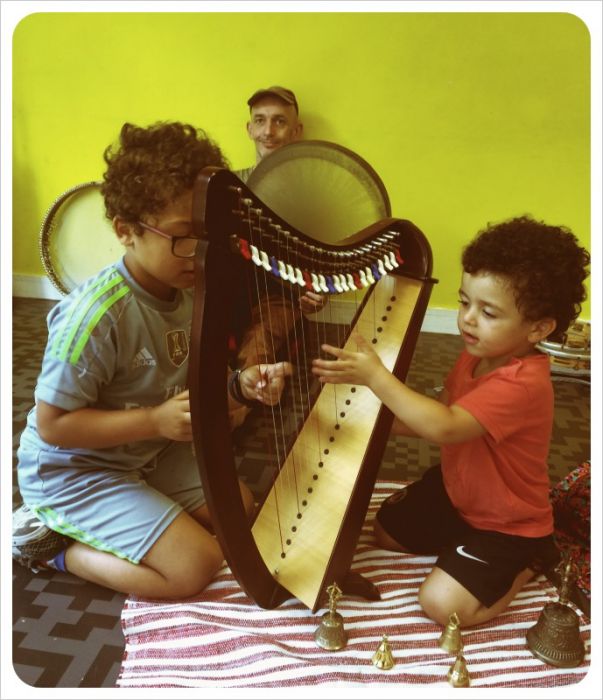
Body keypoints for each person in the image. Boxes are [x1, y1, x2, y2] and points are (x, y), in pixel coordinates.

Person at [12, 121, 293, 600]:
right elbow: (55, 425)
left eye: (208, 236)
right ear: (126, 231)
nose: (198, 253)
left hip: (143, 454)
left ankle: (138, 515)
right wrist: (155, 421)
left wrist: (240, 385)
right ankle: (45, 544)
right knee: (192, 568)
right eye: (183, 237)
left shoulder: (184, 288)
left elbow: (181, 379)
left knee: (239, 508)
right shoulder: (95, 319)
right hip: (75, 472)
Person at [312, 216, 590, 627]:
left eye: (488, 312)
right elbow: (433, 415)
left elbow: (444, 426)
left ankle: (530, 561)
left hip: (507, 524)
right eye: (464, 302)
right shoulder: (475, 355)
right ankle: (464, 549)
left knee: (442, 605)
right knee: (385, 532)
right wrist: (364, 417)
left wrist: (376, 377)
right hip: (459, 495)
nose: (467, 320)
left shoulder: (522, 384)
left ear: (539, 328)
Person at [235, 85, 303, 184]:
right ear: (250, 129)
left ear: (296, 131)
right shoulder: (228, 185)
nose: (268, 132)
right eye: (260, 120)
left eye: (280, 121)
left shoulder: (309, 189)